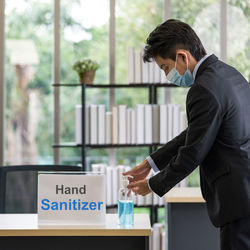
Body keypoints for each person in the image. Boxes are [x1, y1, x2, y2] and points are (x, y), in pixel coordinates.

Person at [123, 19, 250, 250]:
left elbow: (193, 152)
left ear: (182, 56)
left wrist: (152, 185)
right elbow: (195, 133)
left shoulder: (203, 89)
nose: (167, 76)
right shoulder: (228, 74)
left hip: (238, 198)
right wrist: (151, 162)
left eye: (165, 68)